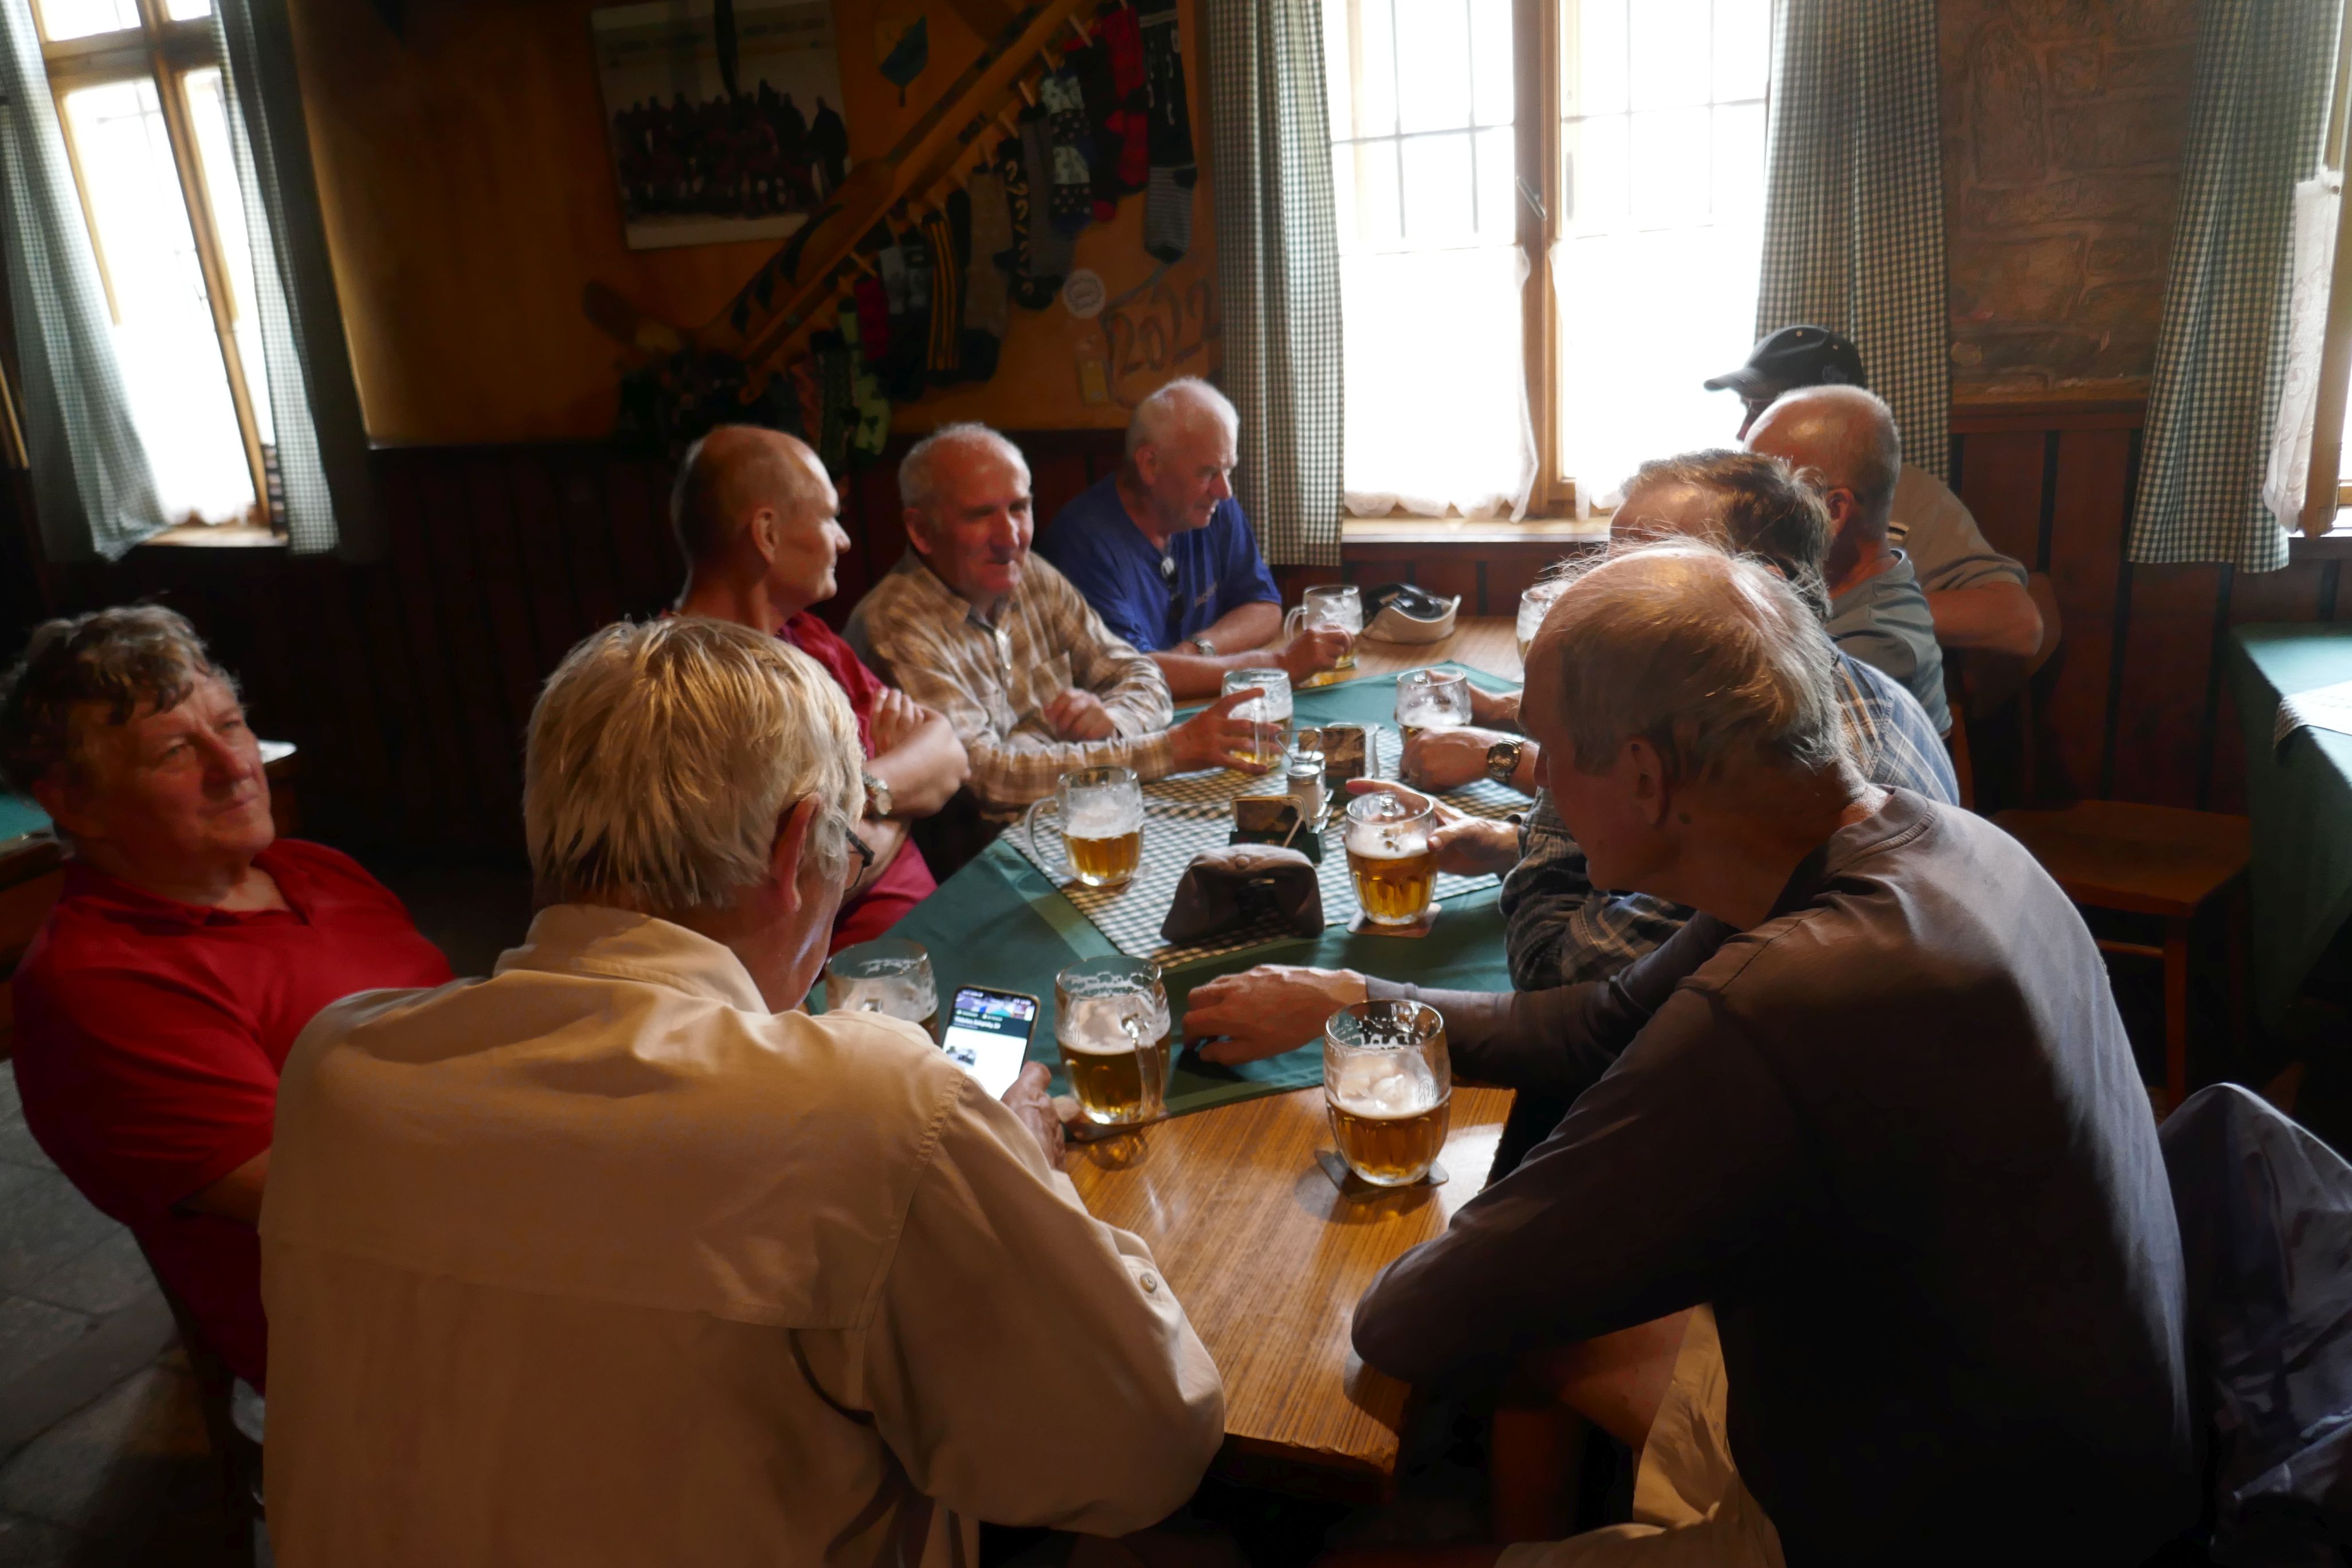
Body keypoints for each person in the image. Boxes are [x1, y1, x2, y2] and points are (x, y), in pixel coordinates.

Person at [260, 618, 1225, 1566]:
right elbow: (1143, 1449)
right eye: (849, 852)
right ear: (794, 847)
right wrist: (1020, 1168)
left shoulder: (334, 1070)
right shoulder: (876, 1108)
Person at [1344, 543, 2195, 1566]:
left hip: (1973, 1533)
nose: (1543, 791)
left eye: (1548, 753)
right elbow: (1605, 1019)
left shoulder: (1781, 1000)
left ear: (1646, 776)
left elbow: (1410, 1322)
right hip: (2054, 1449)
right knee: (1543, 1321)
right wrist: (1358, 1006)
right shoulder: (1920, 838)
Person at [0, 607, 452, 1394]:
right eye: (175, 752)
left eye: (231, 725)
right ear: (76, 805)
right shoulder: (100, 987)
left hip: (481, 1223)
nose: (234, 766)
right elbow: (333, 1200)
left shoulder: (312, 869)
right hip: (385, 1338)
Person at [1342, 450, 1953, 992]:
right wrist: (1513, 840)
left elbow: (1551, 970)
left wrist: (1572, 718)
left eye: (1650, 566)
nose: (1602, 594)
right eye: (1608, 567)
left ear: (1762, 593)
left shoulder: (1745, 786)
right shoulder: (1834, 688)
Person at [846, 422, 1271, 814]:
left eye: (1019, 508)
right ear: (922, 531)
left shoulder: (1029, 574)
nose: (1010, 537)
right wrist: (1171, 750)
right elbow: (989, 778)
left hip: (1082, 812)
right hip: (988, 857)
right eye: (980, 515)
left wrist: (1113, 724)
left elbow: (1142, 674)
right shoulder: (895, 623)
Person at [671, 424, 968, 948]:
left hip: (929, 938)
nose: (844, 540)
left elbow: (947, 754)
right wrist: (899, 802)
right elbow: (797, 885)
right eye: (830, 517)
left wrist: (856, 799)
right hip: (835, 981)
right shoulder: (685, 689)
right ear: (767, 534)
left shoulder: (808, 635)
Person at [1706, 326, 2044, 660]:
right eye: (1748, 410)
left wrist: (1845, 614)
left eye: (1762, 413)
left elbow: (2019, 625)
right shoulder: (1739, 494)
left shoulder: (1911, 495)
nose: (1743, 433)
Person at [1037, 377, 1349, 697]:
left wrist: (1197, 650)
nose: (1224, 490)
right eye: (1208, 472)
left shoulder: (1212, 507)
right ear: (1150, 464)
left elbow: (1264, 608)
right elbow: (1130, 674)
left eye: (1228, 470)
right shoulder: (1081, 543)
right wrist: (1279, 664)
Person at [1743, 385, 1952, 736]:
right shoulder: (1837, 584)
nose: (1742, 510)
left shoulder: (1873, 645)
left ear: (1832, 511)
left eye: (1759, 493)